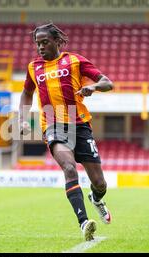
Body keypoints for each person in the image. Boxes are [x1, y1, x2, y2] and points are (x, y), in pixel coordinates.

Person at [19, 23, 113, 241]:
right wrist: (23, 119)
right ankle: (84, 223)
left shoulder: (75, 61)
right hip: (52, 125)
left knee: (100, 183)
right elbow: (26, 93)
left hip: (80, 125)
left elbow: (108, 83)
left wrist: (93, 87)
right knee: (69, 168)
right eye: (37, 43)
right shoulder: (34, 67)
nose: (40, 47)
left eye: (45, 42)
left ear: (57, 41)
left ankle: (97, 199)